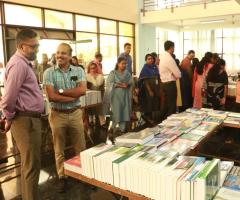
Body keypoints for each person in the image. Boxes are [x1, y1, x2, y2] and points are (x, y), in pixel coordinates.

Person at [0, 29, 44, 200]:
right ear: (21, 46)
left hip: (28, 119)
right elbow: (8, 97)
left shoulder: (23, 63)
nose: (37, 50)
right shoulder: (18, 64)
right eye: (34, 46)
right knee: (31, 166)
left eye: (38, 45)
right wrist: (9, 117)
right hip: (26, 120)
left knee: (30, 165)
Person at [43, 43, 86, 192]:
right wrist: (70, 96)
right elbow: (51, 96)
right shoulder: (49, 72)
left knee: (80, 146)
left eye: (63, 53)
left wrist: (60, 91)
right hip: (57, 115)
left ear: (69, 55)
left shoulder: (78, 70)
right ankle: (62, 176)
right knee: (58, 148)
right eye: (57, 53)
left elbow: (82, 90)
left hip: (75, 113)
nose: (59, 56)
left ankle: (82, 174)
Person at [104, 57, 132, 133]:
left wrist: (127, 85)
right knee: (116, 113)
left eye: (125, 64)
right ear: (118, 64)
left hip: (125, 96)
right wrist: (119, 85)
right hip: (116, 97)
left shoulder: (127, 73)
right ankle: (113, 130)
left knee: (124, 113)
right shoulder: (113, 73)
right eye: (122, 63)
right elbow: (109, 84)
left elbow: (131, 83)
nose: (124, 65)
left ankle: (122, 130)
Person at [159, 40, 181, 118]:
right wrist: (173, 75)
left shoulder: (162, 57)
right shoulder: (169, 58)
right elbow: (178, 74)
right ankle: (169, 125)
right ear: (171, 47)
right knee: (171, 107)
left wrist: (172, 74)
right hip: (170, 85)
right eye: (173, 47)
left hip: (164, 84)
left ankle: (162, 122)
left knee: (166, 106)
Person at [138, 54, 160, 124]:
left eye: (151, 59)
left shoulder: (154, 67)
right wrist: (150, 90)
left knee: (155, 102)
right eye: (149, 59)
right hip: (148, 89)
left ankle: (154, 118)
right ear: (146, 60)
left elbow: (157, 77)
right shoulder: (145, 68)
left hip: (155, 87)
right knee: (149, 103)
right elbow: (145, 80)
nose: (151, 60)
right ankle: (148, 118)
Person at [86, 62, 106, 126]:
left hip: (99, 94)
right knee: (89, 109)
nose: (93, 69)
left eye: (94, 68)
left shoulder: (100, 76)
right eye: (91, 68)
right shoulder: (86, 76)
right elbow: (85, 87)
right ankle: (91, 121)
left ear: (96, 68)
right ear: (89, 69)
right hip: (90, 95)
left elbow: (101, 87)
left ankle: (102, 123)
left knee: (100, 109)